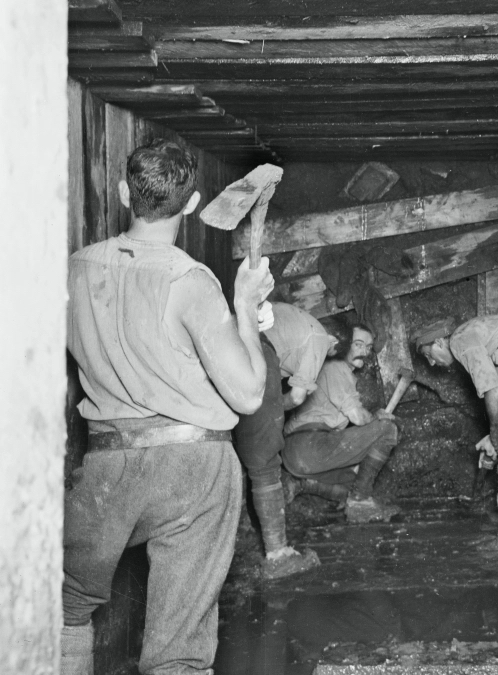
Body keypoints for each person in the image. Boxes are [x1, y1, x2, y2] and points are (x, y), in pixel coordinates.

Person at [63, 140, 274, 675]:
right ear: (193, 201)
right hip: (193, 466)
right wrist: (245, 309)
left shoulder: (74, 270)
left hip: (109, 463)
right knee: (178, 648)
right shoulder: (189, 280)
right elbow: (247, 393)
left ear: (122, 193)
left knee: (64, 607)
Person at [411, 313, 498, 552]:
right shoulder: (470, 338)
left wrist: (495, 436)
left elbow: (492, 391)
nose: (430, 363)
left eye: (429, 355)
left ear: (439, 342)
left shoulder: (459, 340)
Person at [232, 301, 339, 579]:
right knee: (265, 459)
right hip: (253, 347)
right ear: (334, 340)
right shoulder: (318, 338)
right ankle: (278, 554)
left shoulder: (294, 323)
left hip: (225, 341)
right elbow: (296, 397)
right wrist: (275, 410)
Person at [281, 323, 401, 523]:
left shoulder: (333, 370)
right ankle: (360, 501)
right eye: (358, 344)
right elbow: (357, 417)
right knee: (388, 430)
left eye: (368, 347)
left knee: (355, 482)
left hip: (297, 455)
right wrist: (377, 417)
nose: (364, 351)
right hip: (309, 444)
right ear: (344, 345)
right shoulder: (336, 367)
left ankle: (302, 484)